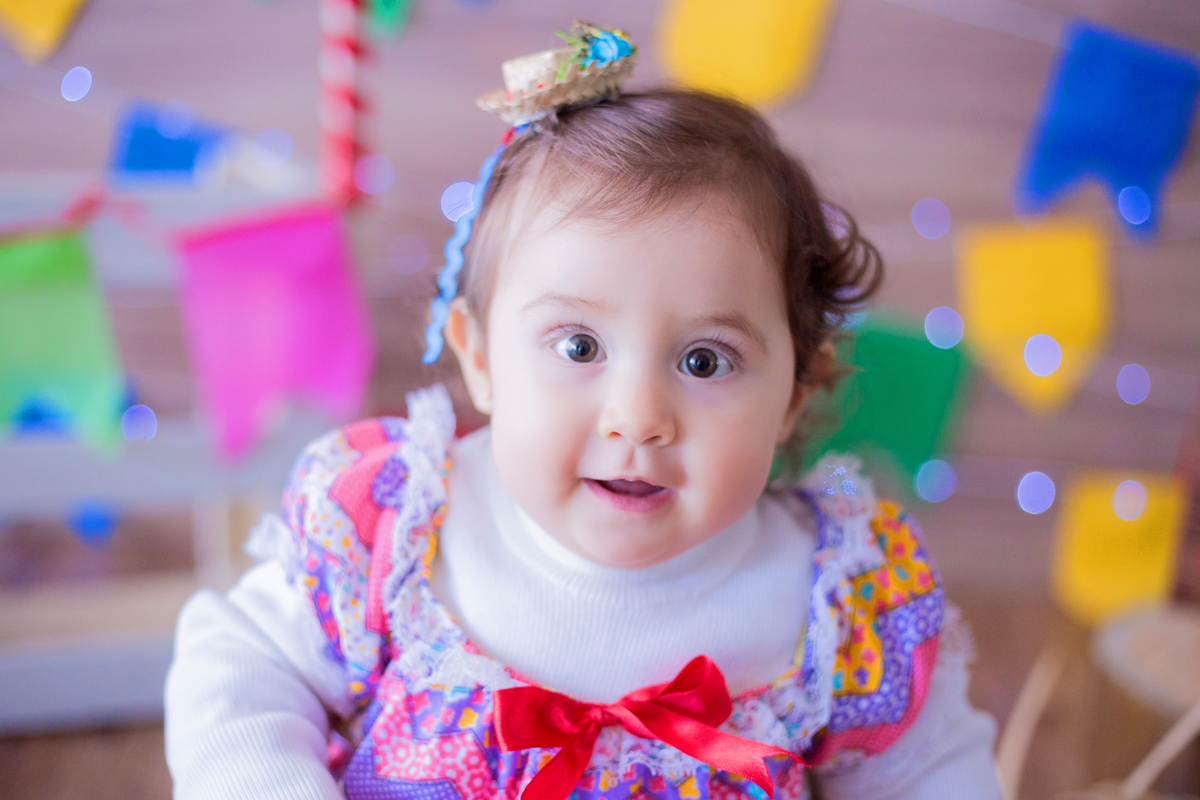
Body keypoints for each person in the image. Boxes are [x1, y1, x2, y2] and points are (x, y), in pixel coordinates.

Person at [165, 23, 1001, 800]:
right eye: (578, 348)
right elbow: (240, 664)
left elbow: (937, 773)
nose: (638, 417)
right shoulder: (403, 529)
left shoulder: (828, 603)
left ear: (794, 396)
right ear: (482, 358)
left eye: (704, 360)